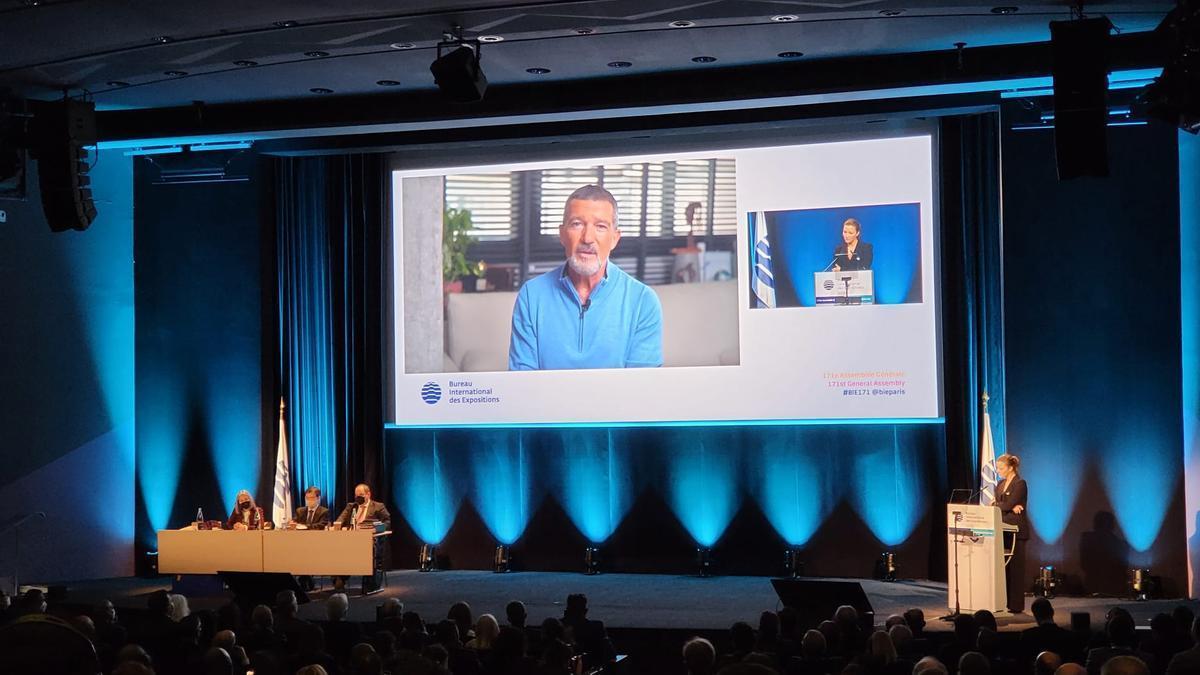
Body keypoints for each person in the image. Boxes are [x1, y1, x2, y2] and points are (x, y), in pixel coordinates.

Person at [508, 184, 663, 371]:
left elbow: (642, 390)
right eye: (577, 224)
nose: (587, 238)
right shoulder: (531, 296)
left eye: (600, 226)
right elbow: (522, 386)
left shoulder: (643, 301)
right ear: (562, 234)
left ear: (615, 238)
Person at [994, 453, 1029, 613]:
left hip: (1016, 530)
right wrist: (1006, 505)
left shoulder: (1020, 484)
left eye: (1001, 468)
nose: (998, 471)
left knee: (1016, 569)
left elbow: (1007, 505)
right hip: (1002, 529)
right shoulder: (1000, 484)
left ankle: (1016, 605)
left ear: (1010, 468)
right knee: (1003, 569)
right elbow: (1000, 504)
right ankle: (1003, 602)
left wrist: (1006, 505)